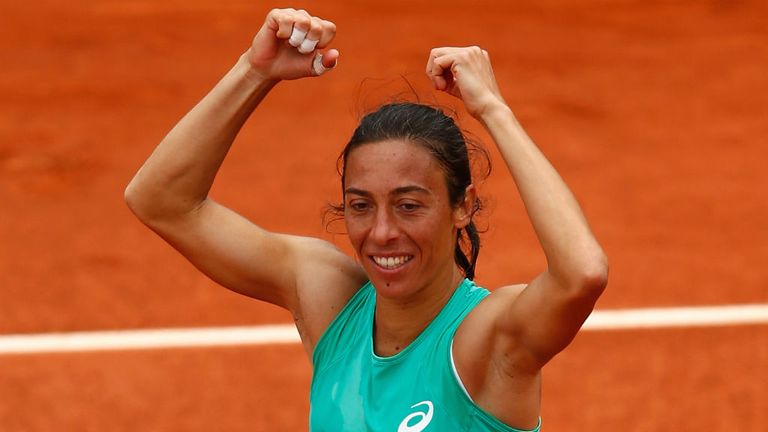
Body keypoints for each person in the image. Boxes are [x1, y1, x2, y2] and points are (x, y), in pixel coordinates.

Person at [125, 8, 608, 432]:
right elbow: (161, 200)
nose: (381, 233)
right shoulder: (329, 298)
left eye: (409, 205)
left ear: (463, 206)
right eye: (361, 205)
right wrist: (254, 73)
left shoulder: (488, 341)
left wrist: (492, 109)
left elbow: (581, 273)